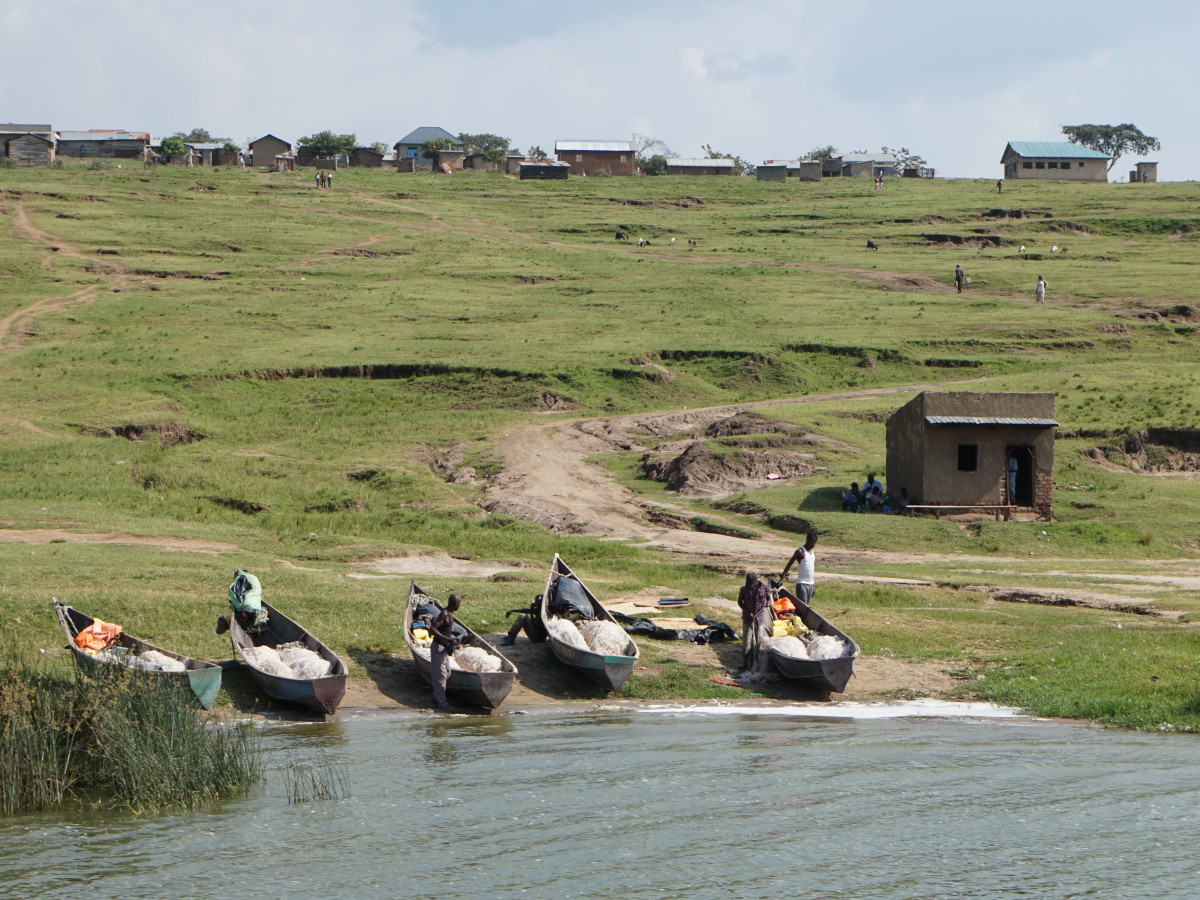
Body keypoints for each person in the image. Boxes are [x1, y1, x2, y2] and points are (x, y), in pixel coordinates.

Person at [427, 593, 462, 711]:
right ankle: (442, 703)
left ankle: (435, 697)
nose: (459, 606)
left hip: (444, 649)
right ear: (454, 604)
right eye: (458, 604)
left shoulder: (451, 614)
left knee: (447, 673)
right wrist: (447, 639)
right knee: (440, 676)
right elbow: (432, 628)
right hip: (438, 647)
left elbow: (445, 630)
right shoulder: (444, 614)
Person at [736, 572, 771, 671]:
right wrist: (748, 612)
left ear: (756, 582)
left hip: (759, 618)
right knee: (747, 642)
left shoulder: (764, 587)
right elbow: (739, 602)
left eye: (752, 585)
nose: (750, 588)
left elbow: (768, 597)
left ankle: (754, 662)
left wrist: (767, 603)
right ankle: (745, 664)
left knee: (757, 642)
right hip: (748, 618)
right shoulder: (743, 589)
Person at [218, 569, 268, 634]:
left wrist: (240, 607)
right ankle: (253, 616)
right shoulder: (253, 578)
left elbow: (234, 593)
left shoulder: (241, 578)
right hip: (255, 606)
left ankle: (224, 622)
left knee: (234, 611)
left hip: (249, 606)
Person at [781, 532, 818, 606]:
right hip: (802, 584)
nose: (814, 545)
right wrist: (782, 579)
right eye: (813, 542)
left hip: (810, 584)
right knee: (803, 607)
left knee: (806, 607)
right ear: (808, 540)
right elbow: (789, 565)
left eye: (815, 543)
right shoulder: (800, 552)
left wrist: (813, 587)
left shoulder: (812, 552)